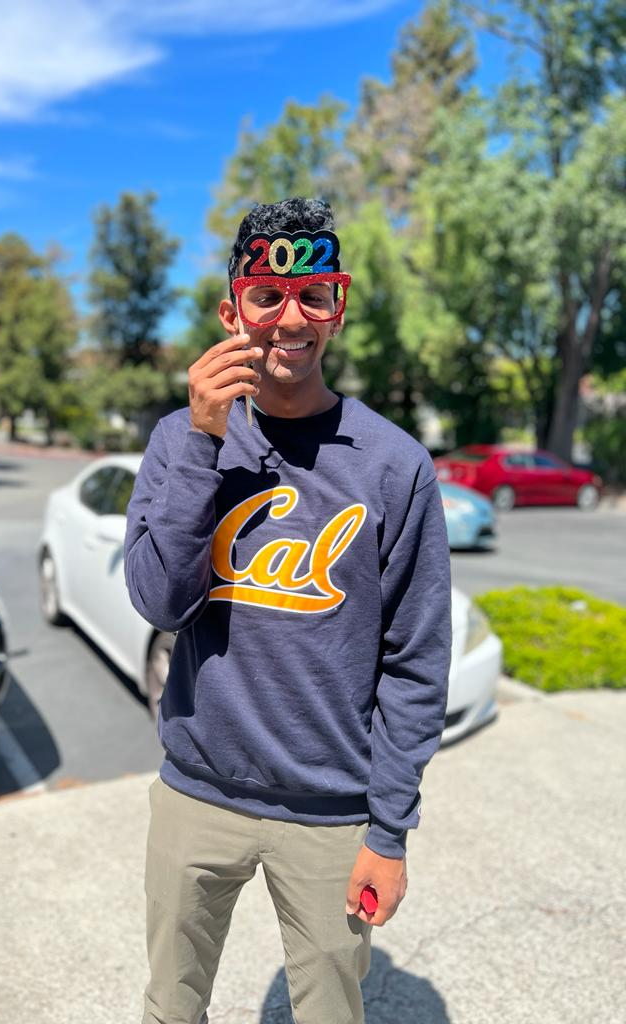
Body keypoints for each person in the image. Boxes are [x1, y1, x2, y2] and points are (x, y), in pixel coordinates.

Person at [125, 197, 451, 1024]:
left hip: (333, 812)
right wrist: (205, 441)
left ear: (338, 306)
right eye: (267, 295)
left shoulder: (395, 465)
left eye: (313, 295)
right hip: (196, 792)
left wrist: (389, 831)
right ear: (232, 311)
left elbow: (415, 662)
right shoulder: (179, 439)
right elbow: (160, 600)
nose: (291, 318)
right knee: (170, 1008)